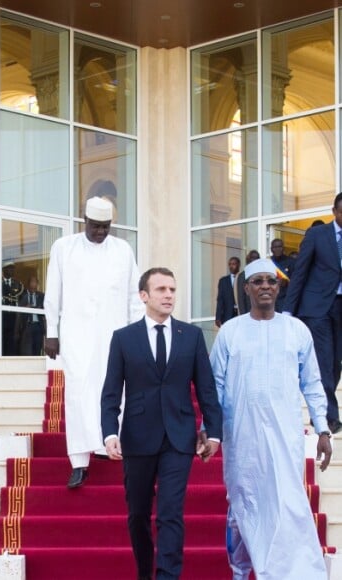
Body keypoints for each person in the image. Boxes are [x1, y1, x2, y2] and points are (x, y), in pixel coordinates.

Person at [209, 258, 332, 579]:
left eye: (271, 281)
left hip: (284, 435)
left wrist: (322, 428)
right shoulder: (230, 333)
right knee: (241, 506)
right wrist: (208, 429)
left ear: (279, 288)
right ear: (247, 288)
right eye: (258, 281)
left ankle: (286, 572)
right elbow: (215, 385)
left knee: (286, 503)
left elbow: (313, 383)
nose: (265, 286)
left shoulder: (296, 330)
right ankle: (240, 571)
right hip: (241, 437)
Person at [101, 267, 222, 580]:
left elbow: (206, 388)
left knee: (170, 513)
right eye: (161, 290)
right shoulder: (124, 338)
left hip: (179, 437)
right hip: (138, 437)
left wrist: (215, 433)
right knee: (138, 514)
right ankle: (145, 572)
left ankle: (168, 576)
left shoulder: (192, 336)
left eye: (172, 289)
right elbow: (111, 392)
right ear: (144, 296)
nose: (169, 295)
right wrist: (109, 433)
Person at [44, 196, 145, 488]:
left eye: (106, 227)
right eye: (96, 226)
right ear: (83, 220)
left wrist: (137, 332)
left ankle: (106, 445)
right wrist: (52, 331)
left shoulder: (122, 249)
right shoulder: (64, 247)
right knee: (77, 394)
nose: (101, 232)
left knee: (113, 390)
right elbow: (54, 292)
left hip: (115, 334)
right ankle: (79, 462)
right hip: (76, 334)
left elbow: (132, 295)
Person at [284, 192, 342, 434]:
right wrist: (288, 310)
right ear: (335, 212)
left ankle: (322, 409)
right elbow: (300, 273)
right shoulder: (318, 235)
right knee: (324, 360)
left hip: (340, 308)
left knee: (336, 362)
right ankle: (329, 415)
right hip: (317, 308)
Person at [15, 275, 45, 356]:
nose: (34, 284)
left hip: (38, 326)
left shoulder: (42, 296)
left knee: (37, 349)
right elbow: (18, 312)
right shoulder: (22, 296)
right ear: (28, 284)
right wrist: (25, 308)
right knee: (27, 350)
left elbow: (45, 309)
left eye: (36, 282)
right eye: (32, 282)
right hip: (27, 326)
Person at [2, 260, 24, 355]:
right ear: (4, 270)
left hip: (14, 315)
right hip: (2, 315)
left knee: (13, 343)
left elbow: (20, 298)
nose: (12, 270)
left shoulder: (18, 284)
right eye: (9, 268)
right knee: (2, 342)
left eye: (13, 268)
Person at [269, 238, 295, 312]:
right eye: (275, 247)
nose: (278, 249)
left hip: (285, 300)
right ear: (271, 249)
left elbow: (296, 282)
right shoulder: (267, 262)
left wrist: (286, 283)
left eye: (280, 247)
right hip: (271, 299)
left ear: (283, 248)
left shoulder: (291, 262)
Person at [215, 256, 240, 327]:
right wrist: (218, 317)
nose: (231, 266)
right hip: (227, 315)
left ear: (238, 265)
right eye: (230, 264)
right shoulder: (223, 281)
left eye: (234, 264)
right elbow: (220, 300)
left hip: (240, 313)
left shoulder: (243, 279)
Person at [236, 249, 259, 315]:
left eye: (257, 258)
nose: (255, 260)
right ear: (248, 260)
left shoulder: (260, 274)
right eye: (252, 258)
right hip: (248, 313)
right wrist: (243, 316)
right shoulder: (243, 275)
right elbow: (241, 298)